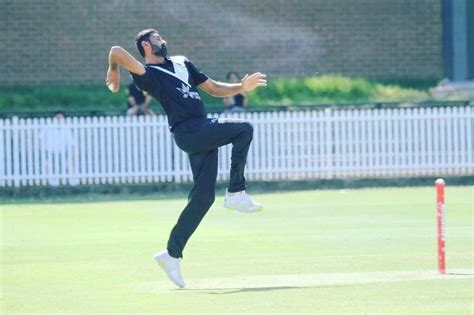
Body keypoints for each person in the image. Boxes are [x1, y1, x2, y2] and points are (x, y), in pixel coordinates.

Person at [105, 28, 267, 288]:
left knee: (203, 198)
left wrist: (241, 87)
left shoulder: (182, 62)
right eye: (156, 38)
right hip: (189, 132)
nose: (163, 40)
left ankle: (171, 254)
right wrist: (113, 69)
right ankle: (236, 192)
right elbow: (116, 51)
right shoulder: (148, 75)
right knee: (244, 128)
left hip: (202, 128)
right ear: (145, 45)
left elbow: (213, 88)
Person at [38, 111, 78, 186]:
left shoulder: (66, 129)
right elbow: (40, 139)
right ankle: (51, 184)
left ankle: (72, 183)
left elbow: (71, 143)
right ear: (54, 118)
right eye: (57, 118)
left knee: (68, 166)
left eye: (61, 118)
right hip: (49, 151)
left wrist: (72, 154)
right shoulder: (47, 127)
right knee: (49, 167)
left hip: (63, 152)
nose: (59, 120)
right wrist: (42, 151)